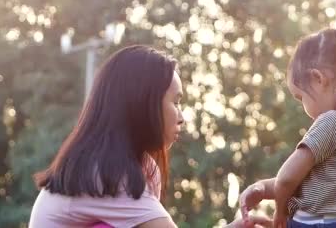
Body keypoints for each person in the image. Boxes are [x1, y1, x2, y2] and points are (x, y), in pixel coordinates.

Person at [29, 45, 270, 228]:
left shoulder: (139, 167)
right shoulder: (108, 174)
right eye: (175, 102)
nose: (182, 117)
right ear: (142, 104)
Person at [239, 27, 336, 228]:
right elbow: (307, 181)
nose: (304, 107)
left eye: (301, 97)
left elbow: (286, 179)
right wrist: (263, 188)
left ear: (319, 79)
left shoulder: (333, 121)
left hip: (315, 223)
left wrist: (280, 210)